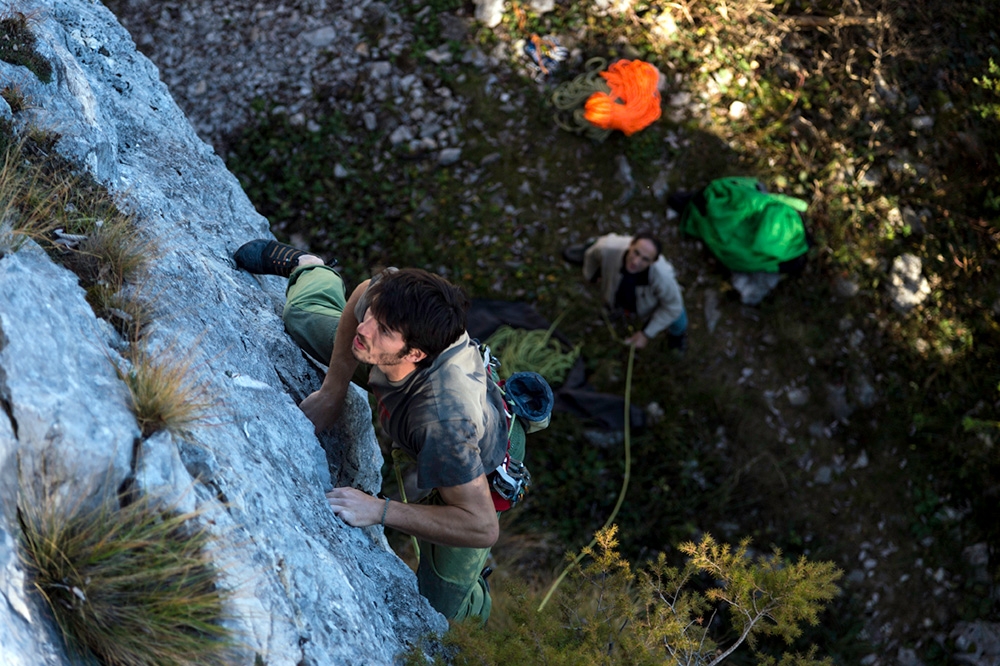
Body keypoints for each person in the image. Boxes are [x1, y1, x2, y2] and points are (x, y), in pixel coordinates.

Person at [233, 239, 524, 623]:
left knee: (448, 612)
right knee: (301, 317)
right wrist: (332, 391)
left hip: (473, 467)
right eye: (373, 315)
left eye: (383, 328)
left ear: (415, 353)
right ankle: (311, 265)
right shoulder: (391, 309)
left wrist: (379, 510)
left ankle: (477, 595)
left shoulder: (444, 424)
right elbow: (363, 295)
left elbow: (481, 526)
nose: (365, 328)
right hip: (411, 383)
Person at [564, 231, 687, 351]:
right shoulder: (608, 247)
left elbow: (673, 306)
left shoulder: (663, 277)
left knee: (679, 320)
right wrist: (591, 276)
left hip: (649, 301)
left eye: (645, 259)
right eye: (636, 253)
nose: (636, 262)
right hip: (621, 290)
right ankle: (617, 309)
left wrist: (646, 333)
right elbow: (591, 255)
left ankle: (677, 337)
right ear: (631, 244)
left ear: (653, 262)